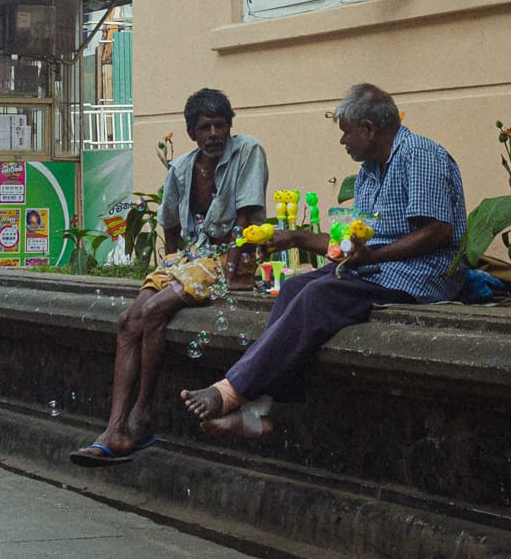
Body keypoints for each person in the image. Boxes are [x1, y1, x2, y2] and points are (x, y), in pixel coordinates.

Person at [181, 83, 467, 439]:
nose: (343, 141)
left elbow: (438, 230)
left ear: (369, 129)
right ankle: (261, 411)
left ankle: (230, 392)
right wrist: (294, 237)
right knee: (294, 288)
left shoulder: (419, 155)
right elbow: (351, 246)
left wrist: (373, 256)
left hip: (419, 275)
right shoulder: (370, 172)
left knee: (319, 296)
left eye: (346, 132)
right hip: (377, 269)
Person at [71, 88, 268, 467]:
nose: (214, 134)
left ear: (230, 126)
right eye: (204, 127)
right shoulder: (182, 167)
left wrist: (233, 276)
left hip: (232, 257)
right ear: (192, 132)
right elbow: (171, 227)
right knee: (129, 320)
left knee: (155, 310)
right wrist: (169, 268)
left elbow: (244, 222)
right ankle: (115, 427)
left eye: (220, 125)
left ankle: (141, 414)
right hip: (192, 259)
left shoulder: (248, 152)